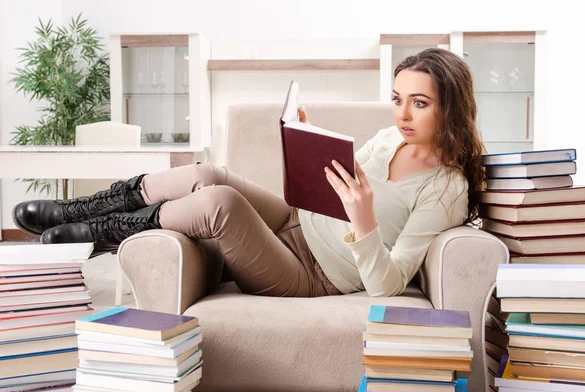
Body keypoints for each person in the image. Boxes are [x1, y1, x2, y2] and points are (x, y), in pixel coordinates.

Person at [12, 48, 485, 298]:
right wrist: (304, 144)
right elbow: (336, 186)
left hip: (311, 273)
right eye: (398, 99)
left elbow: (389, 283)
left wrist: (364, 223)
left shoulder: (447, 191)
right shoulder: (390, 137)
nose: (403, 113)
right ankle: (77, 210)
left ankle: (101, 232)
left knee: (222, 204)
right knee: (208, 172)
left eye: (419, 103)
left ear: (451, 109)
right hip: (295, 222)